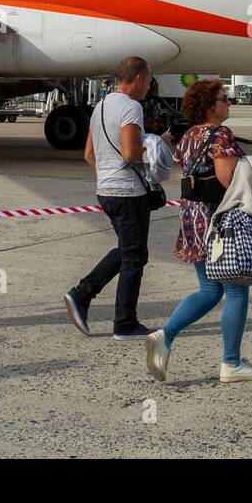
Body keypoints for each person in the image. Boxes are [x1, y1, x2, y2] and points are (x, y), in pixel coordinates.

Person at [145, 78, 252, 384]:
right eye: (224, 98)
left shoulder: (189, 135)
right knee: (236, 289)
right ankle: (231, 363)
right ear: (209, 106)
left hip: (192, 217)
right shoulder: (220, 134)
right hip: (218, 221)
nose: (228, 103)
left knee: (209, 289)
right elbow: (228, 180)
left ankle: (165, 335)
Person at [65, 56, 171, 340]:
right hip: (128, 193)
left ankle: (82, 296)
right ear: (138, 78)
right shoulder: (131, 107)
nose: (149, 87)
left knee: (128, 249)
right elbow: (130, 152)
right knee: (135, 256)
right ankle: (122, 322)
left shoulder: (100, 106)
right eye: (148, 81)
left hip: (106, 190)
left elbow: (89, 154)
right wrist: (157, 147)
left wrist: (107, 179)